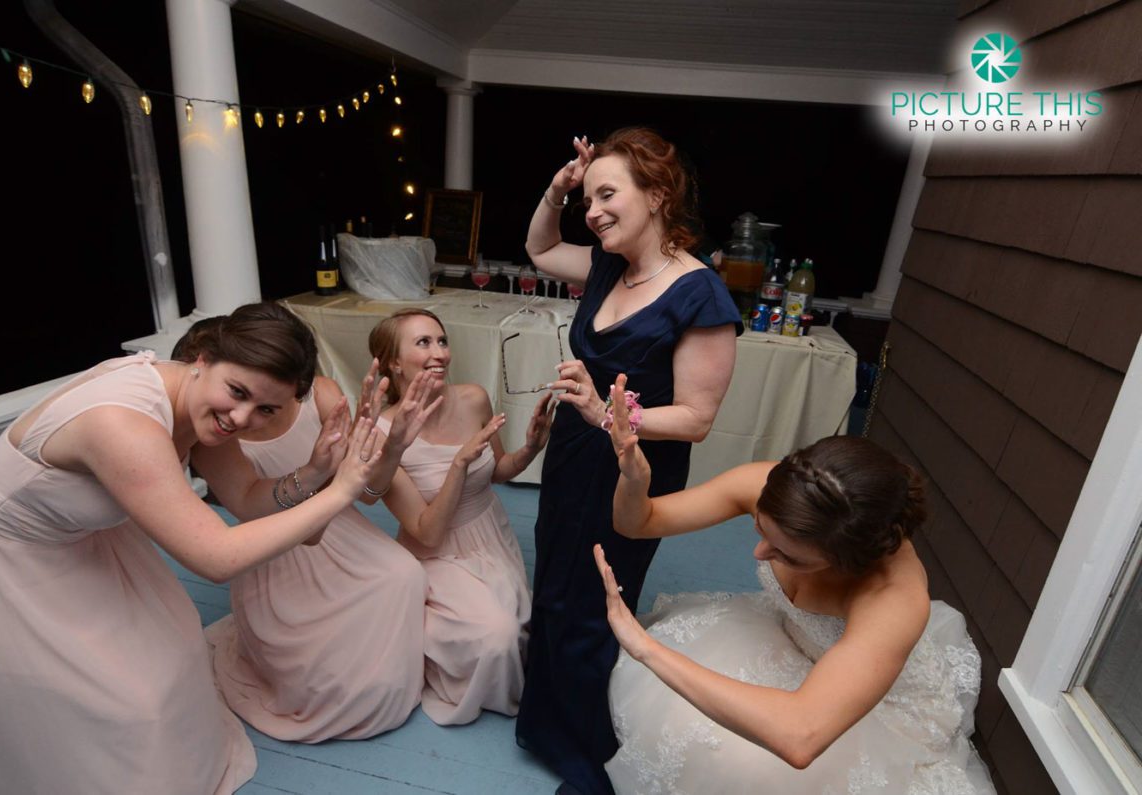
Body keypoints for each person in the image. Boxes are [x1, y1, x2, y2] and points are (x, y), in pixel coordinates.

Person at [0, 302, 382, 794]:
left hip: (75, 540)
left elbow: (244, 497)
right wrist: (342, 491)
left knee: (170, 660)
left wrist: (316, 472)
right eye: (237, 392)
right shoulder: (120, 422)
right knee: (106, 703)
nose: (241, 417)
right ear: (203, 357)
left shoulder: (206, 411)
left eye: (266, 410)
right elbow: (216, 557)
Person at [595, 387, 995, 793]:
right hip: (787, 640)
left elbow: (800, 737)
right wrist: (635, 482)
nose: (759, 553)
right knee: (680, 723)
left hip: (861, 701)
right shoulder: (782, 491)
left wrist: (646, 648)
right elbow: (638, 523)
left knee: (745, 766)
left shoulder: (892, 600)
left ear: (848, 561)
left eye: (789, 556)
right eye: (760, 530)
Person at [515, 127, 743, 794]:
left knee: (598, 601)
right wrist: (557, 189)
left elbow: (696, 419)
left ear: (658, 194)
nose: (592, 212)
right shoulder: (607, 266)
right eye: (587, 200)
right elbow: (539, 249)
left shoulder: (700, 294)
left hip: (632, 470)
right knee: (555, 585)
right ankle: (549, 725)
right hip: (572, 454)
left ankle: (591, 757)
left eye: (606, 195)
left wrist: (606, 415)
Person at [173, 318, 441, 742]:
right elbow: (249, 509)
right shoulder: (214, 432)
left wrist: (387, 444)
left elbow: (368, 493)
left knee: (402, 575)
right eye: (238, 388)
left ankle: (382, 674)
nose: (245, 412)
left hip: (341, 528)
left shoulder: (323, 395)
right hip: (275, 543)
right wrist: (319, 472)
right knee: (328, 678)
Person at [368, 308, 555, 725]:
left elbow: (499, 470)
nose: (440, 353)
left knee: (527, 631)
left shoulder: (473, 398)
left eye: (442, 341)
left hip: (490, 534)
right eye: (423, 343)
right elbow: (427, 533)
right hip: (435, 555)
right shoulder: (383, 435)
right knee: (498, 637)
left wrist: (531, 448)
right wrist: (459, 464)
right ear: (394, 362)